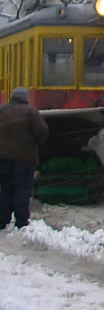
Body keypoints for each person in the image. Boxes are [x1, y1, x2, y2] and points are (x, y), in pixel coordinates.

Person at [0, 86, 49, 229]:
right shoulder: (31, 112)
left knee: (5, 188)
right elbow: (42, 131)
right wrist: (37, 144)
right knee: (22, 189)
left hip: (3, 158)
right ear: (25, 98)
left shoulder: (2, 110)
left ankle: (2, 219)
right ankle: (21, 221)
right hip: (25, 158)